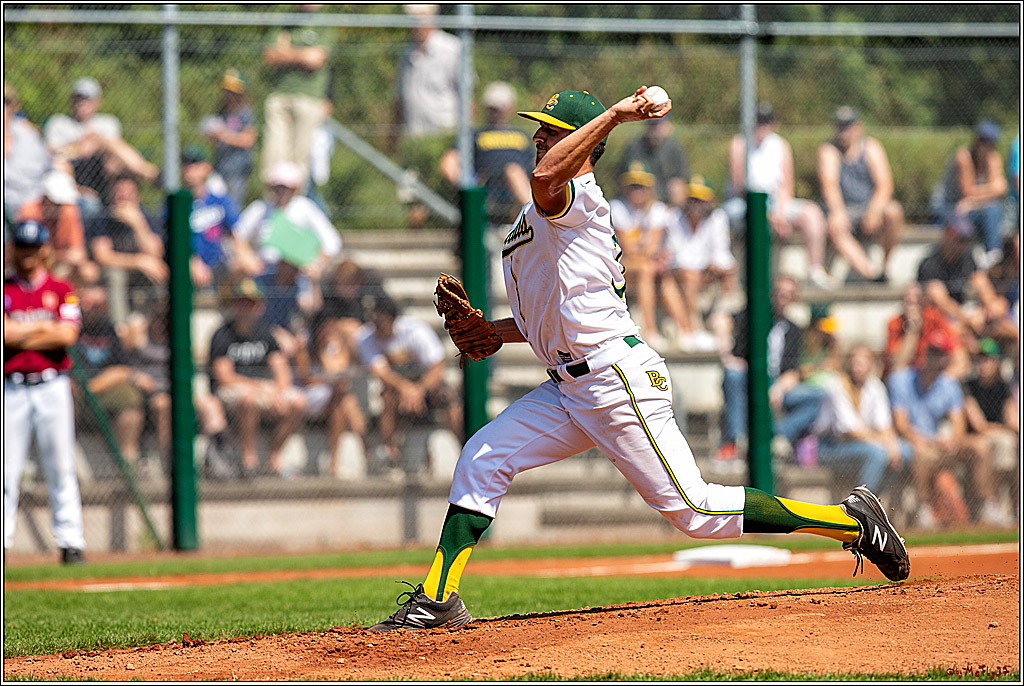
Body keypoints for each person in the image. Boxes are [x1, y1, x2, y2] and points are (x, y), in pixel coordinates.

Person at [368, 86, 909, 633]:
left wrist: (616, 115)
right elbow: (554, 315)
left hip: (612, 377)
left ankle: (852, 523)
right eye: (541, 128)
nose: (537, 137)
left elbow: (547, 180)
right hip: (567, 385)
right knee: (482, 456)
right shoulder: (540, 212)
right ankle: (438, 599)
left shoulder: (574, 195)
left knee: (695, 512)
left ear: (582, 146)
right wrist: (492, 332)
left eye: (551, 131)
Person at [4, 221, 88, 565]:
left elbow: (67, 335)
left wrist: (23, 330)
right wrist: (44, 327)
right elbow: (5, 337)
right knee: (6, 469)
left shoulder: (61, 288)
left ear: (43, 249)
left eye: (32, 246)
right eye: (21, 246)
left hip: (52, 383)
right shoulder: (6, 288)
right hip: (13, 385)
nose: (26, 253)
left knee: (61, 464)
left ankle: (71, 542)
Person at [888, 329, 1003, 529]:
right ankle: (924, 510)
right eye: (931, 351)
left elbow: (958, 424)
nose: (934, 357)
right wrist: (931, 441)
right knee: (921, 453)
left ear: (946, 359)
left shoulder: (949, 384)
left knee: (981, 446)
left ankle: (988, 505)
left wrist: (953, 440)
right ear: (923, 353)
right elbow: (902, 426)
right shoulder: (902, 380)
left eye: (939, 353)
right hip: (918, 444)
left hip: (942, 445)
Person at [208, 278, 308, 477]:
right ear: (234, 305)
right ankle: (249, 458)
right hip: (234, 391)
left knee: (298, 401)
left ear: (259, 306)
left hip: (265, 389)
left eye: (251, 302)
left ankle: (274, 457)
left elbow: (281, 369)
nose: (246, 308)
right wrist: (260, 387)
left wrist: (279, 392)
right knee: (248, 400)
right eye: (241, 302)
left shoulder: (266, 333)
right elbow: (224, 376)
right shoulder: (222, 334)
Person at [725, 102, 829, 289]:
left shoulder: (781, 145)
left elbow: (786, 186)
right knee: (736, 216)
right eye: (758, 120)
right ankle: (735, 277)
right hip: (745, 203)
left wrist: (780, 213)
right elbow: (740, 186)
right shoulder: (739, 143)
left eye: (766, 121)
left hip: (776, 203)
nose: (762, 125)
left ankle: (815, 271)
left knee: (812, 214)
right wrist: (769, 214)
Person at [355, 297, 460, 476]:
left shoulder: (415, 331)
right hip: (396, 389)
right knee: (387, 396)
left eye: (380, 321)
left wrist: (419, 390)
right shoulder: (365, 337)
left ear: (393, 319)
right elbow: (380, 372)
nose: (376, 326)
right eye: (373, 321)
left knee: (448, 398)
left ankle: (465, 447)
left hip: (426, 385)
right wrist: (405, 388)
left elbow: (437, 366)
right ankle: (390, 452)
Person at [233, 161, 342, 329]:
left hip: (297, 276)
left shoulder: (305, 208)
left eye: (285, 187)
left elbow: (332, 241)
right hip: (266, 273)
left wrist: (317, 264)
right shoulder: (260, 208)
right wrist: (248, 258)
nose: (280, 192)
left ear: (294, 188)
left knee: (307, 306)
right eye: (276, 187)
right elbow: (238, 235)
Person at [713, 275, 804, 462]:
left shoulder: (794, 329)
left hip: (776, 384)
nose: (782, 298)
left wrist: (778, 388)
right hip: (750, 377)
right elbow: (720, 319)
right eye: (779, 293)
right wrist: (727, 355)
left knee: (818, 397)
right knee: (732, 375)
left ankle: (775, 434)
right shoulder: (752, 317)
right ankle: (738, 440)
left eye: (787, 295)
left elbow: (793, 370)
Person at [74, 283, 163, 474]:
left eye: (99, 304)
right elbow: (81, 382)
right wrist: (116, 375)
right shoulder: (73, 330)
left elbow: (123, 367)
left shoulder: (107, 328)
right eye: (88, 303)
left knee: (131, 398)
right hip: (78, 401)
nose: (93, 309)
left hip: (104, 395)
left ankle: (127, 463)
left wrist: (118, 375)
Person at [43, 77, 159, 214]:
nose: (82, 104)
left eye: (87, 99)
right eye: (79, 99)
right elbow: (53, 154)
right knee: (97, 142)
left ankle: (144, 173)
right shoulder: (59, 123)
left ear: (98, 102)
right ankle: (150, 173)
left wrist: (95, 141)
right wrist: (83, 143)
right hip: (70, 167)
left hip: (103, 172)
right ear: (71, 100)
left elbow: (113, 154)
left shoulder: (108, 122)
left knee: (109, 149)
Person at [817, 106, 905, 284]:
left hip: (869, 207)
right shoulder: (829, 151)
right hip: (844, 210)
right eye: (840, 126)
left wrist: (874, 210)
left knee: (894, 211)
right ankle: (870, 273)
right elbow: (829, 185)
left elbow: (885, 185)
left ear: (858, 127)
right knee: (835, 226)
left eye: (847, 126)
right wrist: (838, 212)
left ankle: (885, 268)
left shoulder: (871, 147)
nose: (844, 132)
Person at [811, 345, 912, 493]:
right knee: (876, 454)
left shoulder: (875, 386)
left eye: (862, 363)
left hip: (864, 444)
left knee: (905, 451)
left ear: (871, 365)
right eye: (854, 362)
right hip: (830, 447)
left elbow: (884, 425)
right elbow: (850, 431)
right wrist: (883, 443)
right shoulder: (836, 386)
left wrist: (892, 445)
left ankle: (887, 502)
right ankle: (860, 504)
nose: (857, 368)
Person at [439, 81, 534, 227]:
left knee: (513, 171)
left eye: (499, 108)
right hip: (488, 191)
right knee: (512, 171)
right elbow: (448, 163)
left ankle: (532, 213)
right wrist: (468, 186)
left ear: (510, 108)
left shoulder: (522, 135)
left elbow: (536, 163)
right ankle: (536, 216)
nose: (495, 112)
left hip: (520, 189)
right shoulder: (475, 134)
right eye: (492, 108)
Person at [261, 5, 333, 190]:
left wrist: (286, 52)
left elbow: (316, 59)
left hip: (309, 99)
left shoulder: (325, 22)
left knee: (299, 161)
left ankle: (294, 208)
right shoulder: (284, 20)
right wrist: (302, 55)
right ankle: (274, 206)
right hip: (280, 96)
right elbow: (270, 56)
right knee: (274, 158)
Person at [664, 175, 738, 351]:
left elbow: (723, 257)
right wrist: (703, 267)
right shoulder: (674, 218)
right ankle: (693, 330)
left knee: (726, 275)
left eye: (700, 200)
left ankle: (707, 324)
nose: (696, 204)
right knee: (684, 278)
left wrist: (707, 268)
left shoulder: (718, 218)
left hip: (707, 276)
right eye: (692, 199)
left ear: (709, 202)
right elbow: (677, 258)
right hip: (684, 276)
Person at [294, 309, 368, 477]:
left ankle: (334, 461)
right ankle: (365, 445)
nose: (329, 332)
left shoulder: (334, 346)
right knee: (343, 396)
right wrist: (329, 379)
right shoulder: (304, 344)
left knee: (341, 403)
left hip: (332, 397)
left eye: (332, 328)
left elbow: (341, 371)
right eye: (325, 328)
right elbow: (306, 379)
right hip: (309, 396)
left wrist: (331, 350)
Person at [608, 161, 674, 349]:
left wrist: (645, 249)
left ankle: (687, 329)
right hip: (619, 267)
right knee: (647, 268)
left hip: (644, 267)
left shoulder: (658, 209)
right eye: (632, 186)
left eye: (641, 186)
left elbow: (652, 249)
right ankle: (651, 330)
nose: (636, 191)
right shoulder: (617, 207)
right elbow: (628, 250)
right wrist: (645, 248)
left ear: (650, 188)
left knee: (662, 275)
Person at [930, 119, 1008, 269]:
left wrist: (975, 199)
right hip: (948, 207)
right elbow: (967, 191)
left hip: (972, 208)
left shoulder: (993, 158)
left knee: (994, 209)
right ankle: (979, 259)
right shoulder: (963, 157)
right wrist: (991, 189)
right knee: (988, 210)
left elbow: (1001, 189)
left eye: (989, 142)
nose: (984, 146)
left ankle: (993, 254)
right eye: (982, 140)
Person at [388, 4, 462, 151]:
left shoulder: (452, 48)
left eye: (419, 17)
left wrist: (463, 140)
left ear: (431, 17)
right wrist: (393, 140)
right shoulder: (406, 52)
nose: (414, 23)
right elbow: (400, 100)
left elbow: (466, 95)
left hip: (445, 137)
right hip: (414, 138)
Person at [963, 338, 1019, 520]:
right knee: (1000, 443)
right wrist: (1001, 429)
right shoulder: (968, 385)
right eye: (979, 359)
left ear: (997, 362)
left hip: (998, 435)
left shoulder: (1002, 386)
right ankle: (990, 504)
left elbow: (1012, 419)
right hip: (973, 438)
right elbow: (978, 425)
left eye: (987, 358)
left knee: (1012, 443)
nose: (983, 363)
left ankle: (1015, 505)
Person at [87, 175, 168, 297]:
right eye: (119, 193)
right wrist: (139, 261)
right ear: (111, 195)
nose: (124, 197)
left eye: (129, 193)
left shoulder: (147, 216)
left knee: (159, 270)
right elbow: (103, 257)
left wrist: (138, 224)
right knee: (115, 275)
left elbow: (155, 253)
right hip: (116, 270)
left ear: (138, 196)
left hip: (142, 272)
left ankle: (149, 316)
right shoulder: (102, 218)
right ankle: (120, 317)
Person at [180, 145, 243, 291]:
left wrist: (243, 256)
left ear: (206, 168)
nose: (189, 168)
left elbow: (236, 234)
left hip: (219, 265)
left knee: (248, 265)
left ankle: (228, 302)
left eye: (195, 164)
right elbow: (170, 239)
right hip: (188, 265)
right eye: (186, 164)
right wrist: (192, 261)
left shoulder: (220, 201)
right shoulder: (176, 203)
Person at [16, 169, 97, 284]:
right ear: (45, 198)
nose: (59, 207)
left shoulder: (68, 211)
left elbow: (77, 251)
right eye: (56, 202)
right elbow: (27, 253)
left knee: (87, 272)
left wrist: (63, 256)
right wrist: (62, 255)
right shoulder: (29, 213)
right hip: (33, 263)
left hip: (58, 263)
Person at [202, 68, 258, 210]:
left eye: (232, 91)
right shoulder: (223, 111)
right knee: (214, 201)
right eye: (227, 91)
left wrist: (224, 135)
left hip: (237, 169)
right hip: (220, 166)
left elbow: (249, 139)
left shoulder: (245, 113)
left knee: (233, 206)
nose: (228, 95)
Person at [614, 113, 689, 208]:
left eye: (659, 124)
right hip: (640, 196)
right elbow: (624, 179)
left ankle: (675, 216)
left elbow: (680, 179)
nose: (655, 129)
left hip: (665, 199)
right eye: (652, 124)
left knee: (677, 187)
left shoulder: (674, 147)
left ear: (668, 125)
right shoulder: (635, 146)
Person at [4, 82, 51, 220]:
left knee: (67, 208)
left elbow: (41, 171)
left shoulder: (28, 135)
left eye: (6, 102)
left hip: (27, 200)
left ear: (13, 107)